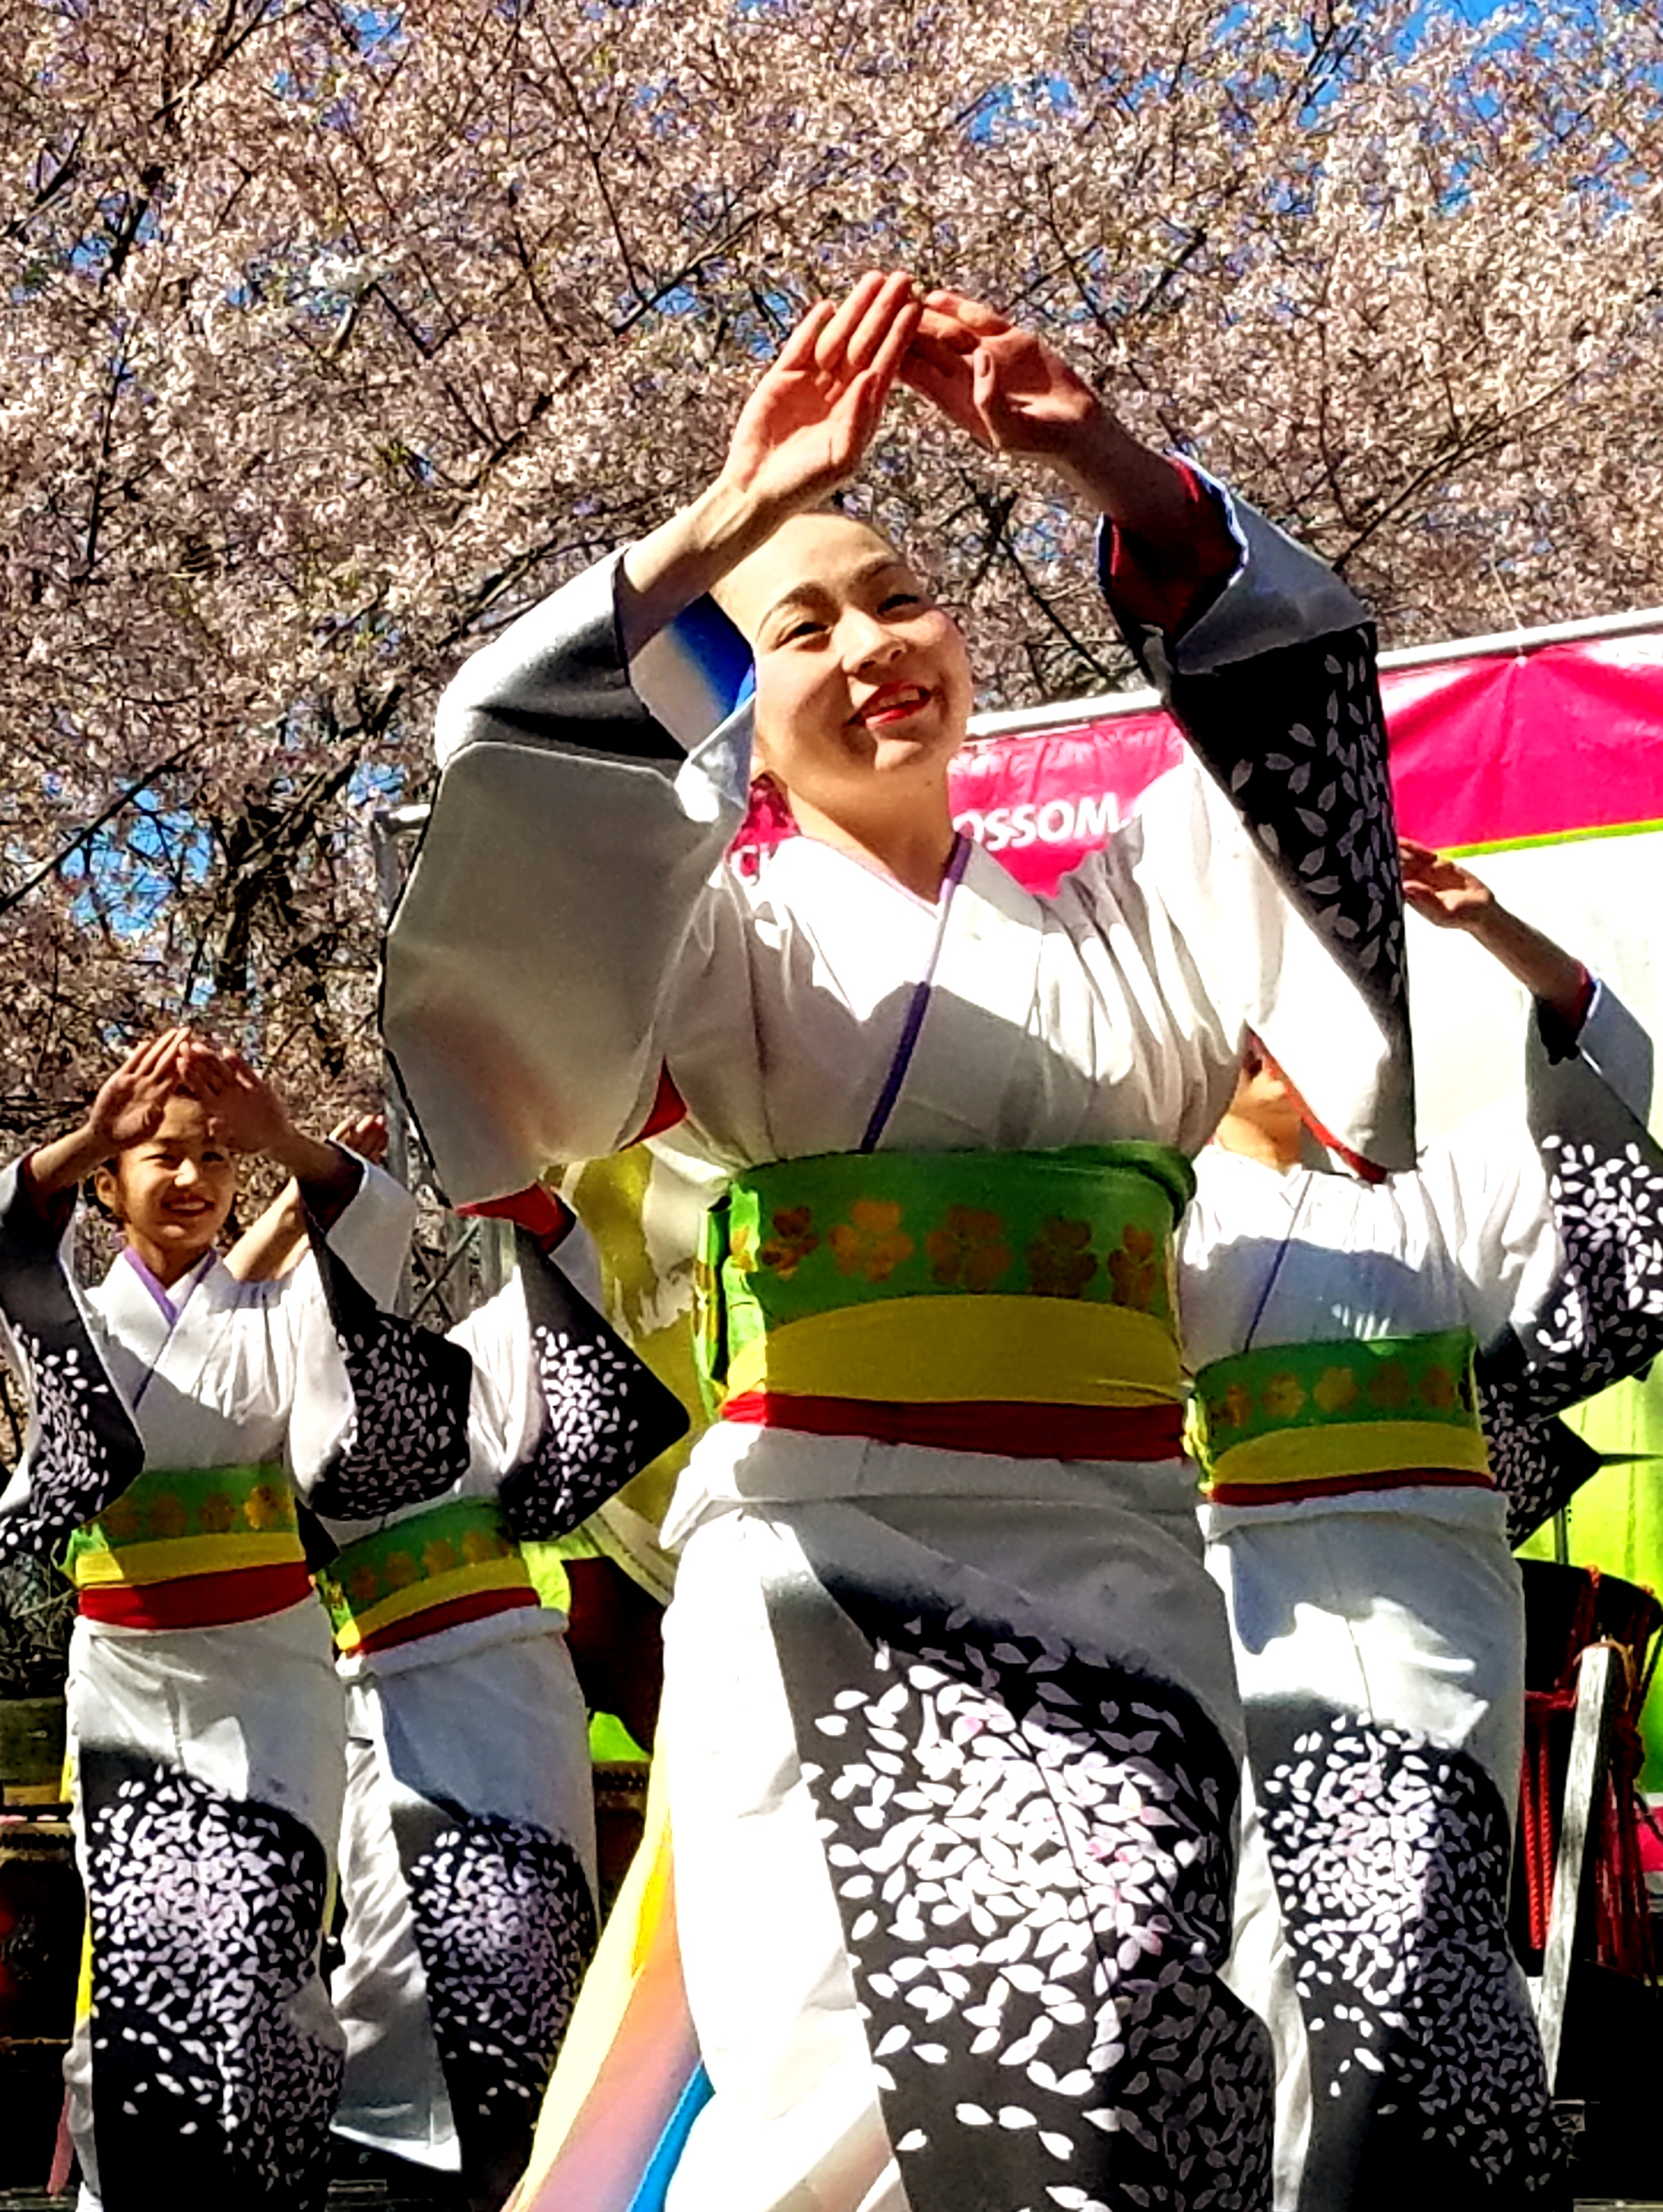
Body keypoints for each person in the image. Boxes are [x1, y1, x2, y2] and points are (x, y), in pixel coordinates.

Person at [382, 270, 1422, 2212]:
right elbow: (511, 752)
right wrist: (715, 512)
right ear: (739, 713)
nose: (874, 643)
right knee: (857, 2085)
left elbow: (1283, 686)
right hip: (822, 1551)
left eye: (903, 596)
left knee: (1128, 2043)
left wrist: (1100, 460)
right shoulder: (719, 937)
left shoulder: (1140, 912)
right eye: (806, 622)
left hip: (1122, 1555)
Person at [1183, 840, 1663, 2211]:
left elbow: (1601, 1095)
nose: (1274, 1046)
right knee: (1292, 1936)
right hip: (1268, 1611)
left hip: (1443, 1605)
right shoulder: (1173, 1224)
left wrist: (1494, 924)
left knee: (1431, 1919)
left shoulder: (1427, 1200)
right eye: (1243, 1025)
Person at [0, 1029, 436, 2212]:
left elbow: (373, 1224)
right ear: (109, 1185)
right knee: (141, 1953)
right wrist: (82, 1136)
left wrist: (285, 1139)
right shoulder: (80, 1328)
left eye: (214, 1155)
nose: (190, 1178)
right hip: (126, 1674)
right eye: (157, 1157)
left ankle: (273, 2181)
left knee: (269, 1943)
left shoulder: (275, 1313)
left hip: (271, 1671)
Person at [239, 1137, 692, 2211]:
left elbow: (569, 1273)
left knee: (526, 1967)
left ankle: (524, 2181)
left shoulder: (485, 1353)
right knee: (401, 1978)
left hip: (517, 1701)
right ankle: (425, 2179)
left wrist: (532, 1203)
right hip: (392, 1707)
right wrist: (293, 1204)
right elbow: (197, 1330)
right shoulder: (281, 1392)